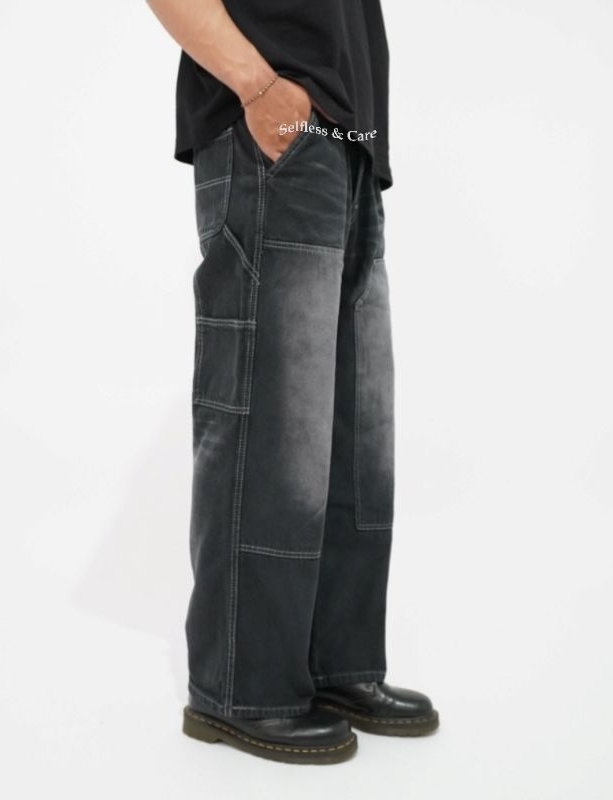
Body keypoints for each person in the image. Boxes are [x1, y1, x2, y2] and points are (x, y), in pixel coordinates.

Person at [143, 0, 439, 764]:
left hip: (345, 142)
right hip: (274, 128)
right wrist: (257, 86)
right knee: (271, 416)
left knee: (351, 428)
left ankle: (335, 666)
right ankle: (241, 690)